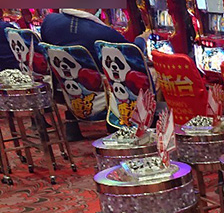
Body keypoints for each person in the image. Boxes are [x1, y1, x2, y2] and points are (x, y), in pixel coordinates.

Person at [41, 9, 150, 140]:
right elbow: (132, 53)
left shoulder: (49, 21)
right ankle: (147, 120)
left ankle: (72, 121)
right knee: (150, 73)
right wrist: (142, 39)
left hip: (66, 89)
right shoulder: (102, 32)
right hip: (100, 92)